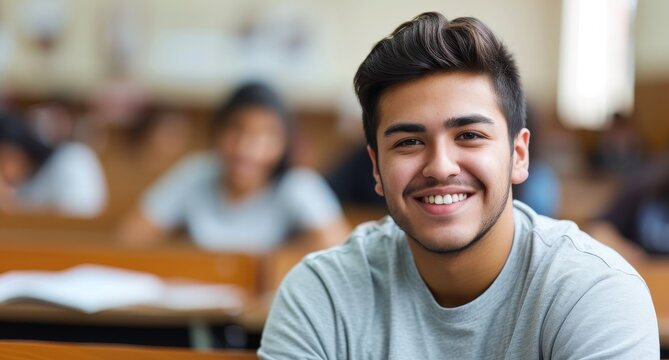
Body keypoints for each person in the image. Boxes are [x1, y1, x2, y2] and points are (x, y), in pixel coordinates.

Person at [259, 12, 658, 359]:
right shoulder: (323, 293)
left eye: (469, 135)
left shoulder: (594, 293)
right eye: (409, 142)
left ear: (519, 155)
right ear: (376, 169)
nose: (440, 167)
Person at [120, 82, 349, 253]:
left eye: (265, 135)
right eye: (236, 130)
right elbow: (131, 236)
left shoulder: (297, 184)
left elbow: (337, 245)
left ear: (284, 142)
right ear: (217, 132)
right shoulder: (195, 174)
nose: (247, 148)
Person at [0, 112, 107, 217]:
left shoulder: (72, 159)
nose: (4, 169)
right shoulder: (20, 186)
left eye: (5, 158)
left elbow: (76, 216)